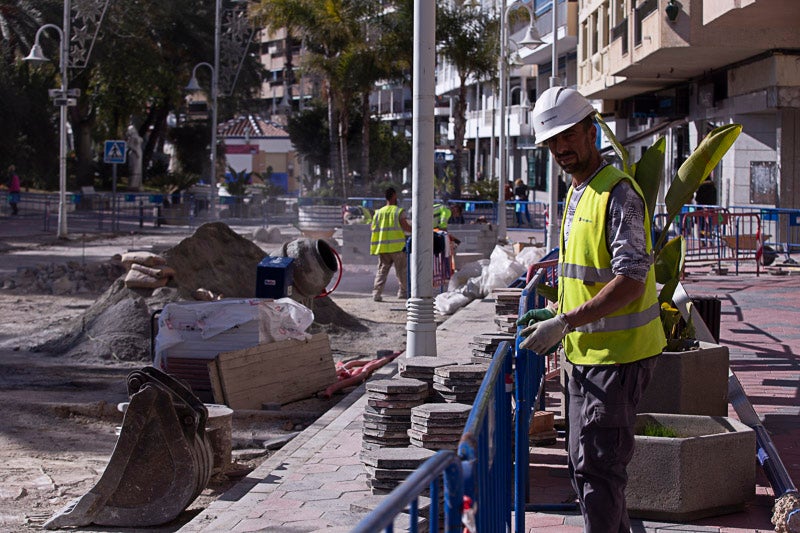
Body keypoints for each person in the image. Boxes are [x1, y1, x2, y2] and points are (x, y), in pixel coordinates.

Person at [518, 86, 666, 533]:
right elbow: (589, 273)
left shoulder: (618, 193)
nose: (561, 148)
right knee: (585, 468)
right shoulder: (579, 192)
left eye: (568, 136)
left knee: (599, 471)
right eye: (552, 142)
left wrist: (565, 321)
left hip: (618, 359)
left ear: (591, 131)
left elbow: (630, 279)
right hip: (586, 356)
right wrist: (557, 309)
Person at [370, 187, 411, 302]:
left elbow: (373, 228)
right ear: (393, 196)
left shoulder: (378, 213)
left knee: (382, 271)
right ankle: (403, 292)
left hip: (383, 247)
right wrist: (417, 231)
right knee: (402, 271)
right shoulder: (398, 211)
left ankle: (376, 293)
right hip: (397, 248)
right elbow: (405, 227)